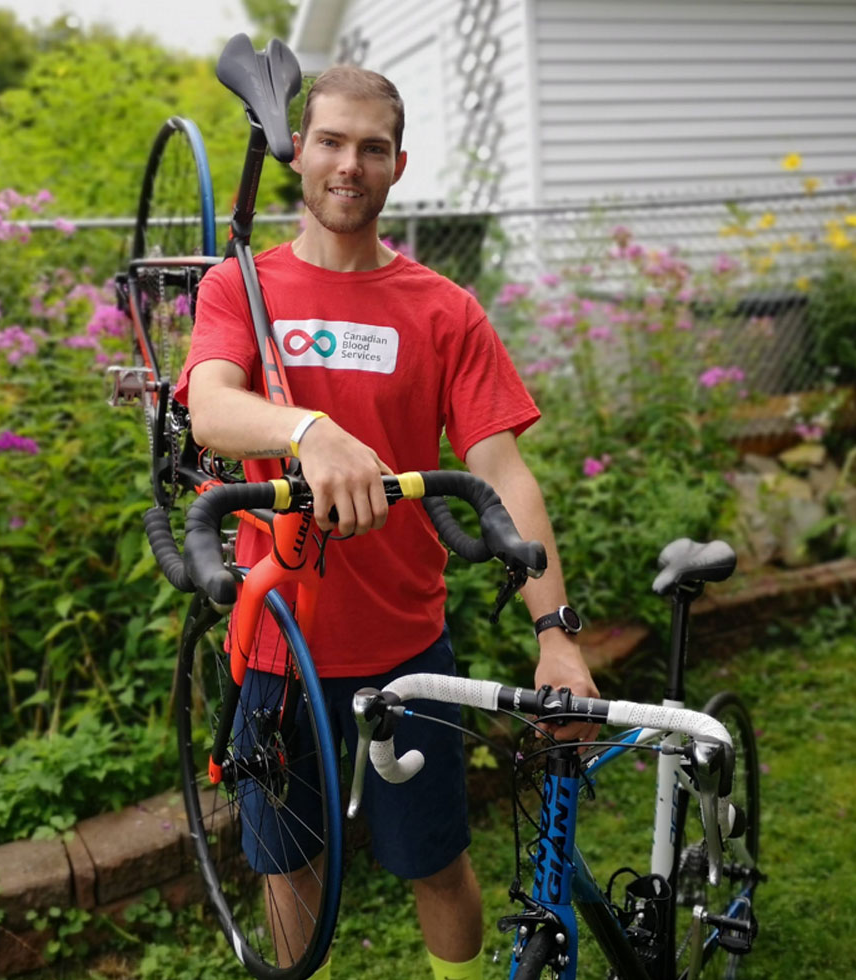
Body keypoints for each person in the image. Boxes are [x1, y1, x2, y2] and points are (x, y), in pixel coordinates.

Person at [173, 65, 600, 980]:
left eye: (372, 148)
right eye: (330, 141)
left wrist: (556, 635)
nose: (349, 164)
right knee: (290, 869)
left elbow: (504, 477)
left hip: (410, 652)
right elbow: (210, 405)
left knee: (436, 862)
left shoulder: (443, 310)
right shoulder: (240, 289)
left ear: (398, 164)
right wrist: (308, 429)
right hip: (277, 647)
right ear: (297, 154)